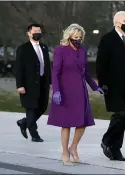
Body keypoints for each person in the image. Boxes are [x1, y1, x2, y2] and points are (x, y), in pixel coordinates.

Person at [47, 24, 103, 165]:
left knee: (82, 123)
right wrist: (56, 90)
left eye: (80, 37)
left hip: (80, 91)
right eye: (75, 37)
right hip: (65, 90)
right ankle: (65, 153)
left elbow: (86, 72)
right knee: (66, 124)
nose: (77, 39)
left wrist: (95, 87)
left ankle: (74, 147)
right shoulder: (60, 50)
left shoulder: (82, 51)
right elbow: (55, 72)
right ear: (69, 36)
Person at [96, 11, 125, 161]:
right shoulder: (107, 39)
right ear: (116, 22)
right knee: (119, 113)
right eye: (124, 20)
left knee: (123, 117)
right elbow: (101, 63)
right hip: (112, 85)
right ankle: (106, 141)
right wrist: (103, 83)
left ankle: (116, 150)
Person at [15, 23, 51, 142]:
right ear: (29, 34)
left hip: (42, 83)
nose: (37, 33)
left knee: (42, 106)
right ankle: (34, 134)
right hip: (28, 84)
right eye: (35, 31)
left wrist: (50, 82)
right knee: (31, 108)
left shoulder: (44, 47)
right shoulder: (23, 48)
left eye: (39, 31)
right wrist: (20, 85)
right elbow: (19, 68)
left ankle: (24, 122)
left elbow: (47, 67)